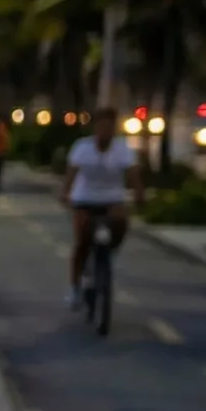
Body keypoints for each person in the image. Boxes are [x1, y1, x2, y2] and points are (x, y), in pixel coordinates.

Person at [59, 109, 140, 306]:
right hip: (84, 199)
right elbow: (71, 174)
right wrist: (65, 192)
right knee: (82, 241)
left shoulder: (122, 149)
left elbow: (132, 175)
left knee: (121, 223)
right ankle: (75, 287)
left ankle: (106, 255)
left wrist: (139, 193)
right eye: (102, 126)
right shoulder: (82, 147)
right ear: (96, 128)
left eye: (110, 127)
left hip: (112, 199)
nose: (106, 131)